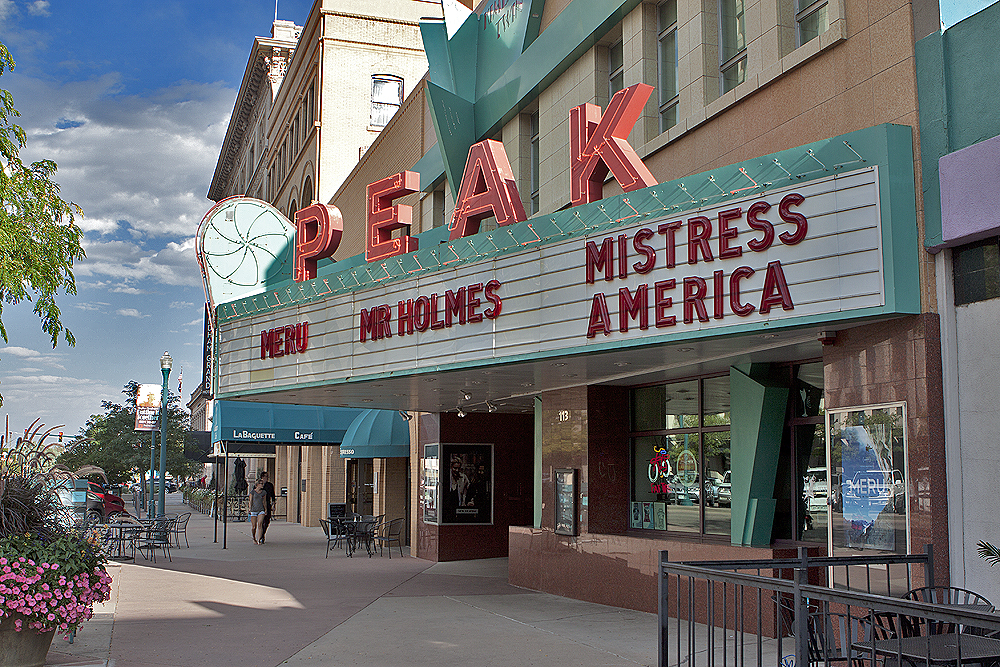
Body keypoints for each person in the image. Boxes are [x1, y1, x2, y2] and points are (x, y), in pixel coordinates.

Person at [258, 471, 276, 544]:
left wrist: (274, 503)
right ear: (262, 477)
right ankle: (261, 536)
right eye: (265, 476)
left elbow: (273, 495)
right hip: (260, 505)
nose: (267, 478)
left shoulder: (270, 485)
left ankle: (262, 534)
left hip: (268, 504)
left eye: (267, 477)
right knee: (261, 521)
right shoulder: (258, 485)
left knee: (267, 521)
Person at [248, 478, 267, 544]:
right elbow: (250, 501)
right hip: (254, 510)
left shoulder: (264, 492)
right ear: (257, 484)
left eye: (262, 483)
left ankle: (259, 539)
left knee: (260, 524)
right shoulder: (252, 492)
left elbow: (264, 501)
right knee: (254, 526)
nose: (262, 485)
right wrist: (249, 508)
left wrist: (265, 509)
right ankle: (254, 537)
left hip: (261, 510)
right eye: (261, 483)